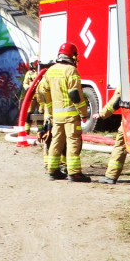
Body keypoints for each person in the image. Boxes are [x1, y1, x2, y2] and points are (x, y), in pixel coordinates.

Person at [35, 42, 91, 182]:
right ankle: (74, 173)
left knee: (56, 141)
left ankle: (53, 171)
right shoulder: (71, 71)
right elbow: (75, 95)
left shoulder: (51, 70)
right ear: (72, 56)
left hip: (56, 116)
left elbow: (43, 92)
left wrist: (50, 110)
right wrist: (84, 113)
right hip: (71, 116)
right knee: (73, 142)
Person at [95, 88, 126, 184]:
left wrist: (102, 114)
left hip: (129, 119)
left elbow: (116, 101)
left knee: (120, 145)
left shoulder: (127, 77)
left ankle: (111, 176)